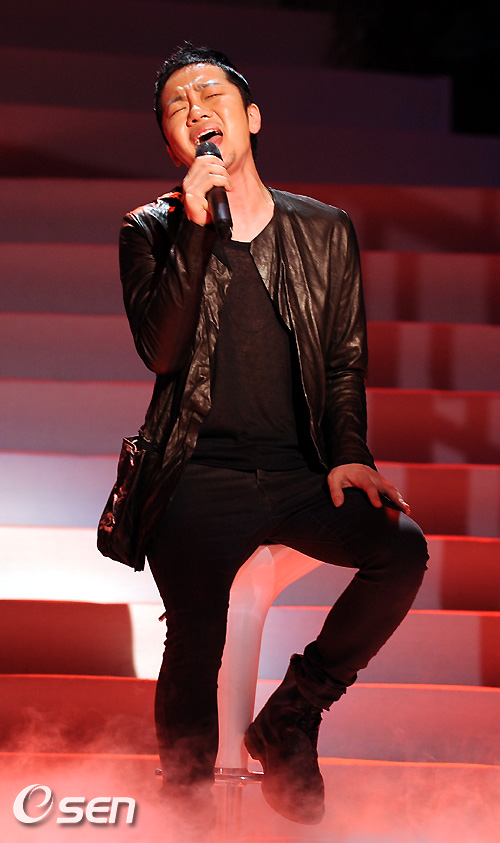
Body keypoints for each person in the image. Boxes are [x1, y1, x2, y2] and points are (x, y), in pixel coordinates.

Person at [118, 43, 428, 830]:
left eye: (210, 94)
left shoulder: (325, 230)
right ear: (171, 145)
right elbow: (161, 349)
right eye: (177, 105)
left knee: (402, 550)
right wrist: (196, 226)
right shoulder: (149, 229)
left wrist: (350, 451)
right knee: (196, 634)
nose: (196, 109)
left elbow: (344, 358)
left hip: (298, 472)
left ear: (251, 118)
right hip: (194, 472)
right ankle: (186, 805)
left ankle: (293, 712)